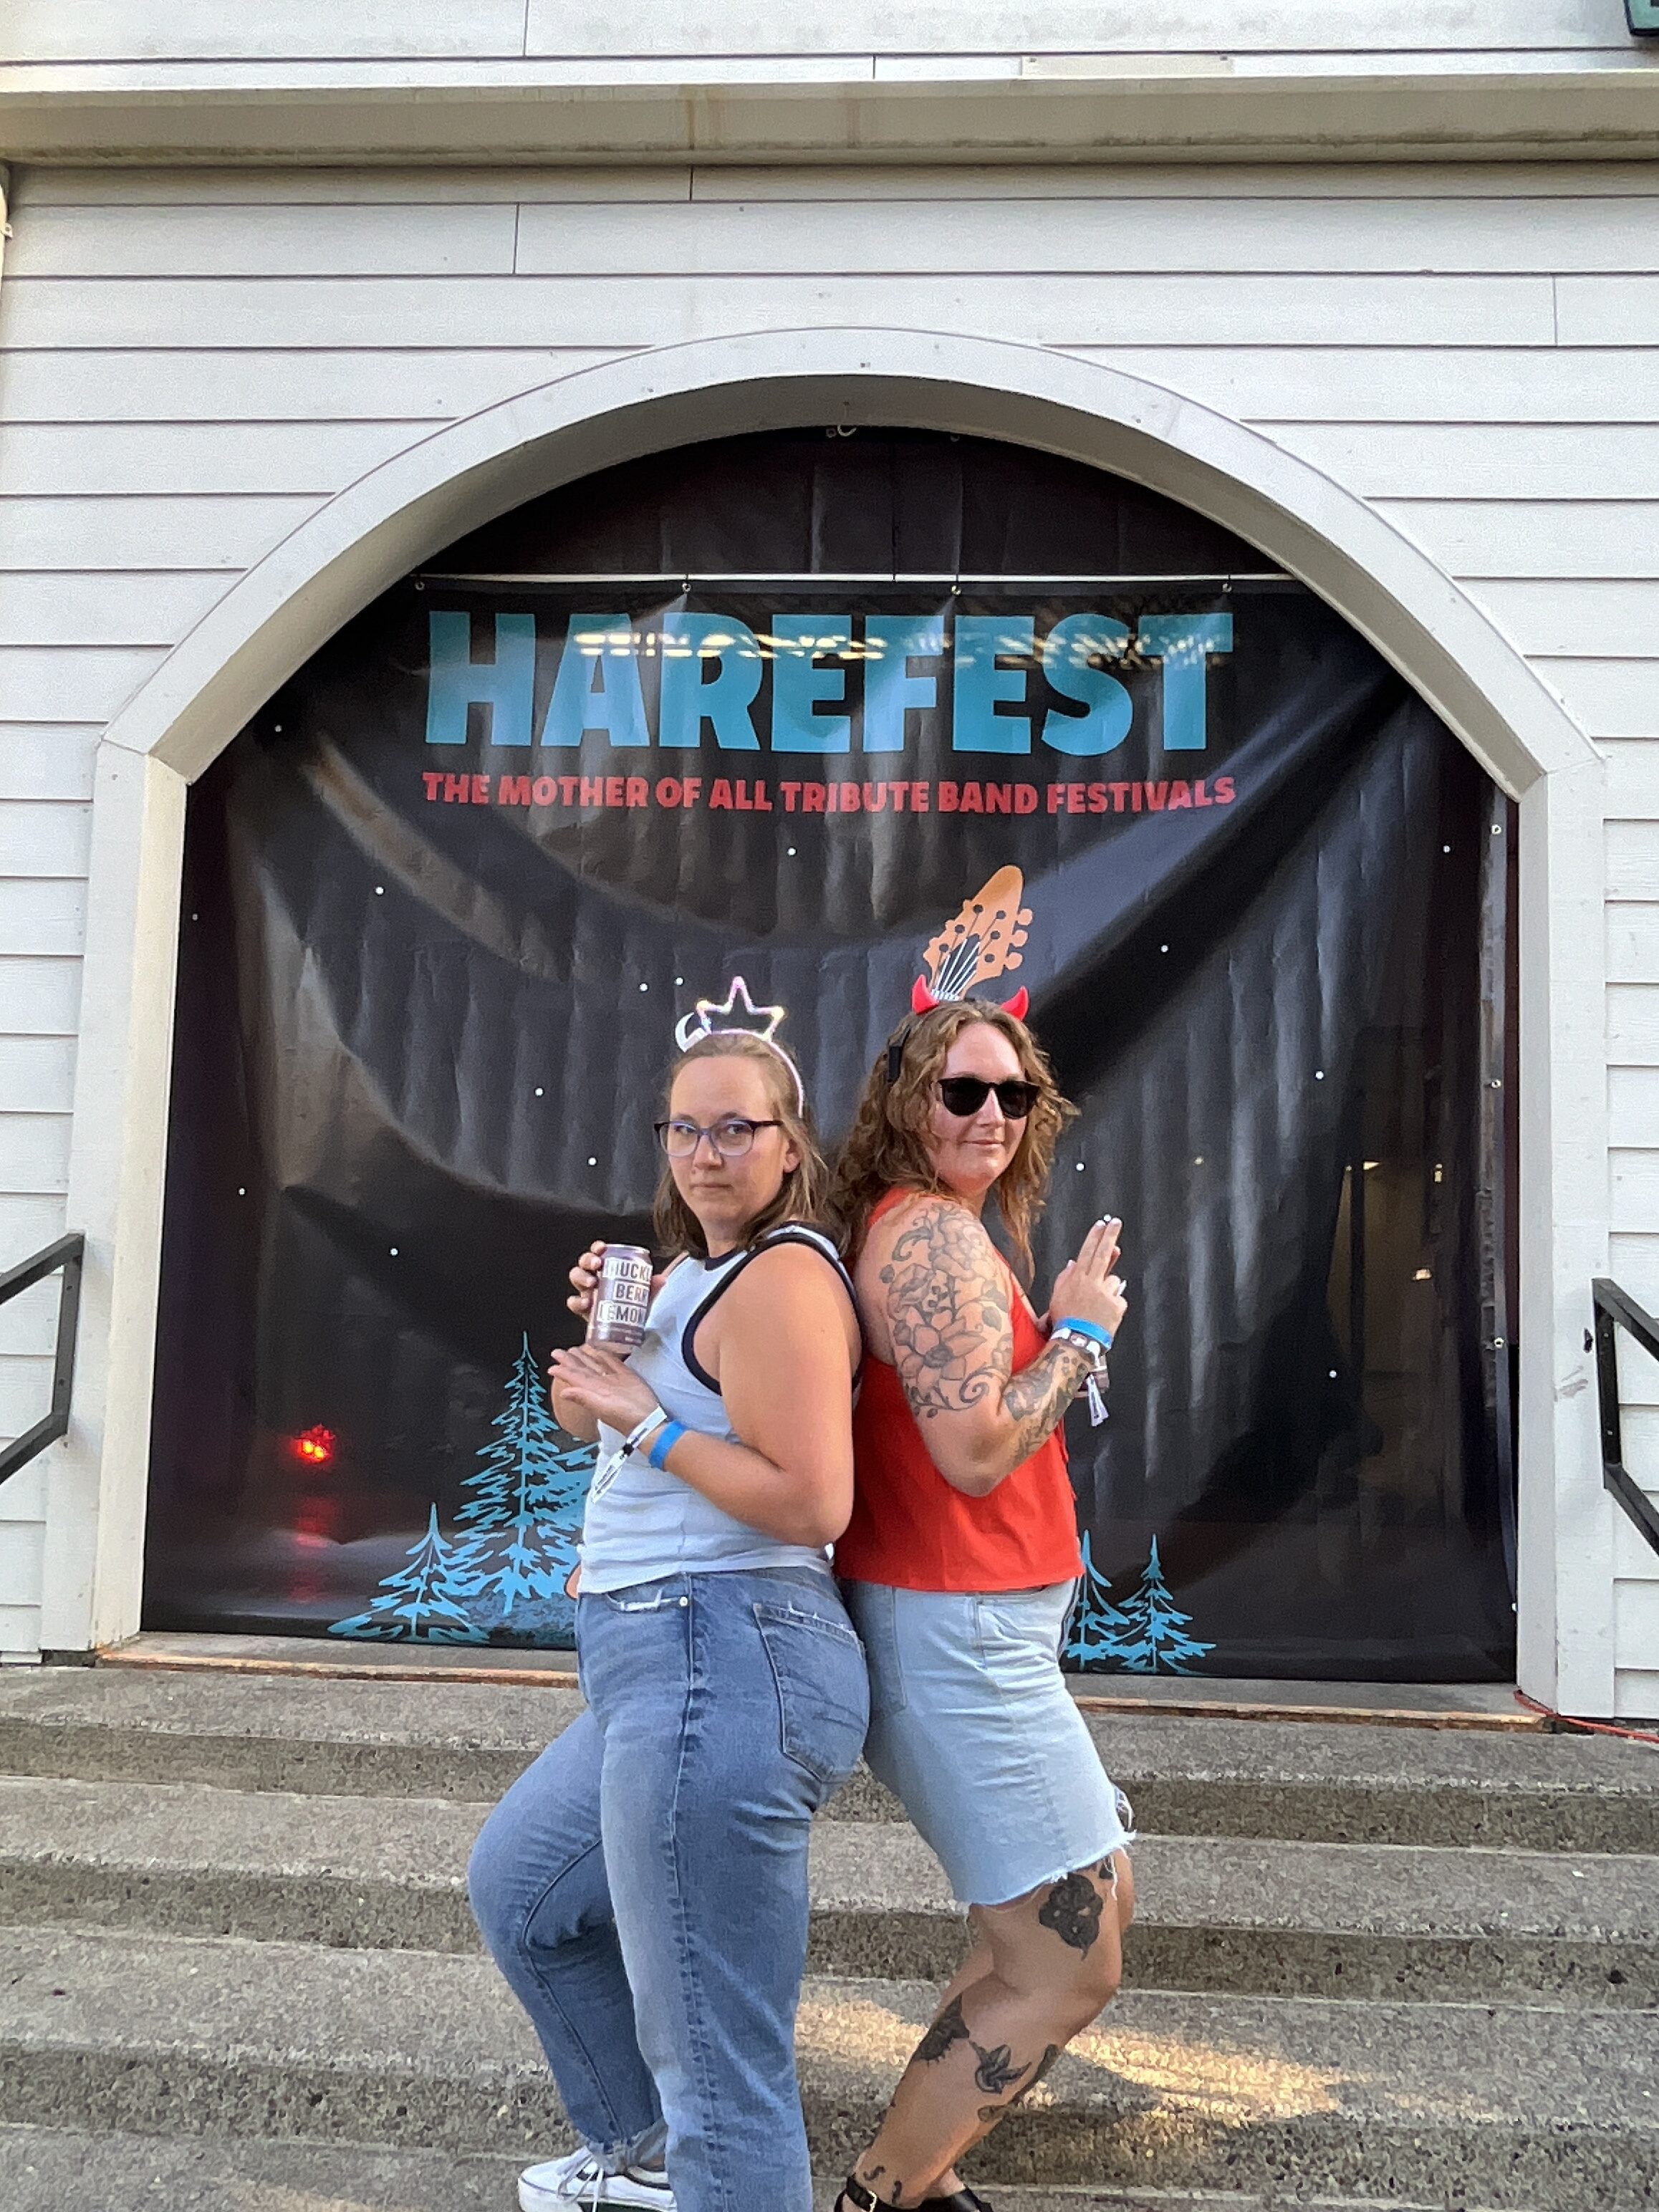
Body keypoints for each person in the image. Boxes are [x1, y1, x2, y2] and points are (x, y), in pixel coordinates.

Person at [468, 1026, 867, 2212]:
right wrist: (608, 1360)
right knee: (525, 1896)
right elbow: (582, 1424)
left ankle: (706, 2172)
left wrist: (647, 1420)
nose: (706, 1152)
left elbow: (813, 1500)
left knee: (718, 2064)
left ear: (790, 1146)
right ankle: (648, 2163)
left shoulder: (783, 1276)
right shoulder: (693, 1271)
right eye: (686, 1128)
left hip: (724, 1647)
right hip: (662, 1659)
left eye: (738, 1127)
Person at [827, 999, 1134, 2212]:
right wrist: (1080, 1335)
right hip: (953, 1635)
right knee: (1071, 1956)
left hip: (972, 1626)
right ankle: (883, 2193)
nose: (992, 1115)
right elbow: (973, 1451)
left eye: (1015, 1094)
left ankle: (924, 2170)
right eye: (964, 1091)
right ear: (909, 1100)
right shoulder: (932, 1241)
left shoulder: (929, 1225)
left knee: (1073, 1919)